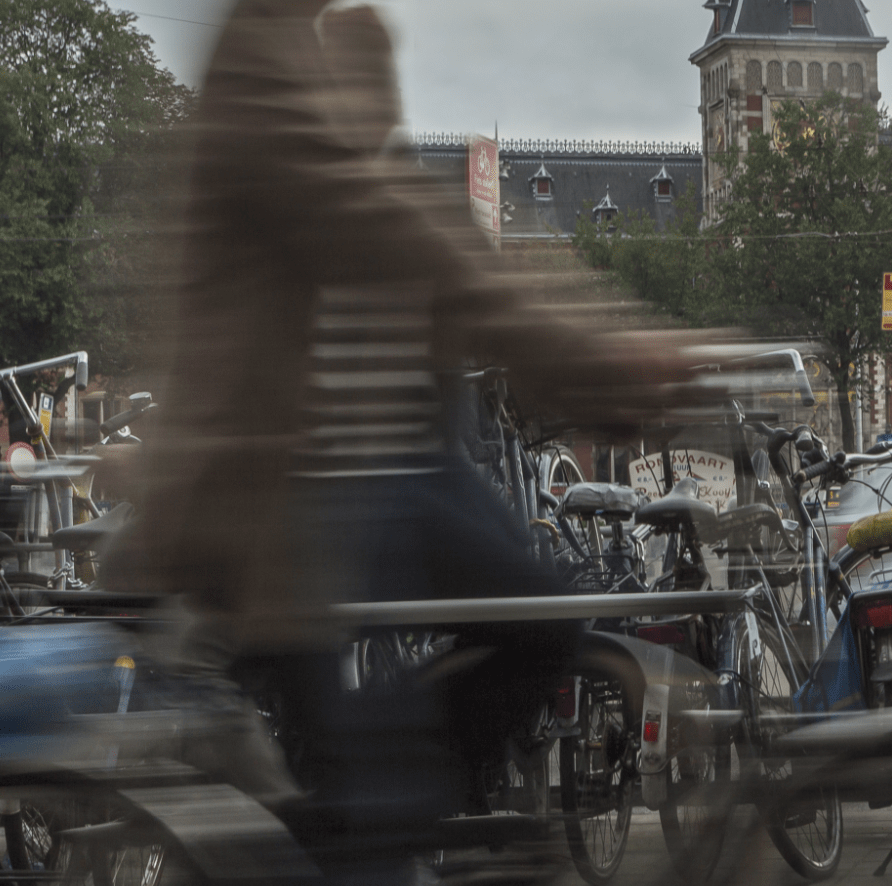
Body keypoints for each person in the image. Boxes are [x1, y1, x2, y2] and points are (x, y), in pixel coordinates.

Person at [116, 0, 702, 878]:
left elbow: (472, 300)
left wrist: (591, 379)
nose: (364, 100)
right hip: (292, 494)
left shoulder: (305, 78)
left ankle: (412, 801)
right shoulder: (267, 71)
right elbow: (390, 232)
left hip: (403, 476)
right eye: (353, 85)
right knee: (361, 792)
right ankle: (381, 809)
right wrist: (604, 365)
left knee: (543, 617)